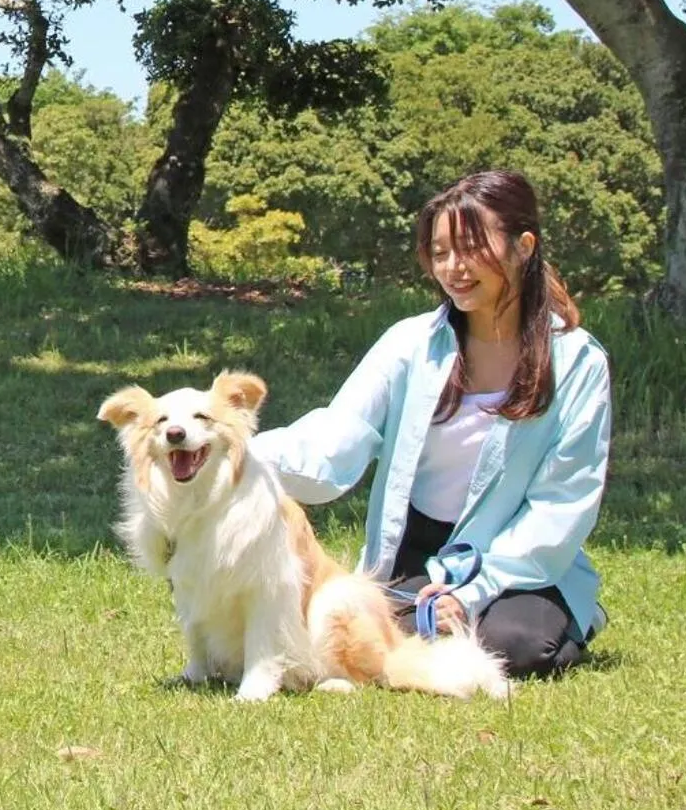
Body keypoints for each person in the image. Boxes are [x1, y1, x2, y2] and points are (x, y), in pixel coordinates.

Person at [255, 169, 611, 678]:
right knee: (339, 632)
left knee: (512, 646)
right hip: (414, 554)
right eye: (440, 253)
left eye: (470, 249)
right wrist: (246, 455)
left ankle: (570, 616)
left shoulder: (577, 361)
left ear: (523, 246)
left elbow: (562, 502)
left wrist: (473, 592)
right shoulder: (409, 344)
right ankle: (425, 615)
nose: (453, 268)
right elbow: (338, 436)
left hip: (517, 561)